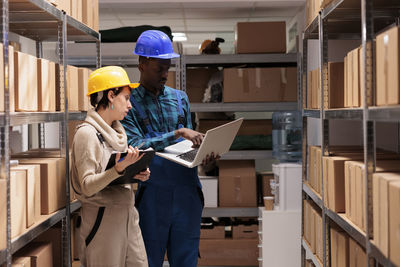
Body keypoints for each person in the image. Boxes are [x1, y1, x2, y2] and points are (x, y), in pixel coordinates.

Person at [121, 30, 215, 267]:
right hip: (153, 193)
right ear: (142, 64)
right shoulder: (128, 103)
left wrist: (205, 154)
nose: (165, 74)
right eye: (159, 68)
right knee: (148, 259)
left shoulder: (180, 98)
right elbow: (137, 145)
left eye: (168, 67)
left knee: (186, 260)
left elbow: (190, 142)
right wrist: (176, 133)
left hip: (187, 191)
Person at [70, 66, 150, 267]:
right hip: (102, 219)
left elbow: (114, 176)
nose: (130, 105)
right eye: (126, 98)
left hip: (126, 214)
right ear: (111, 96)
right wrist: (118, 170)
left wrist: (134, 172)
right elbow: (87, 185)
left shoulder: (117, 134)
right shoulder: (87, 134)